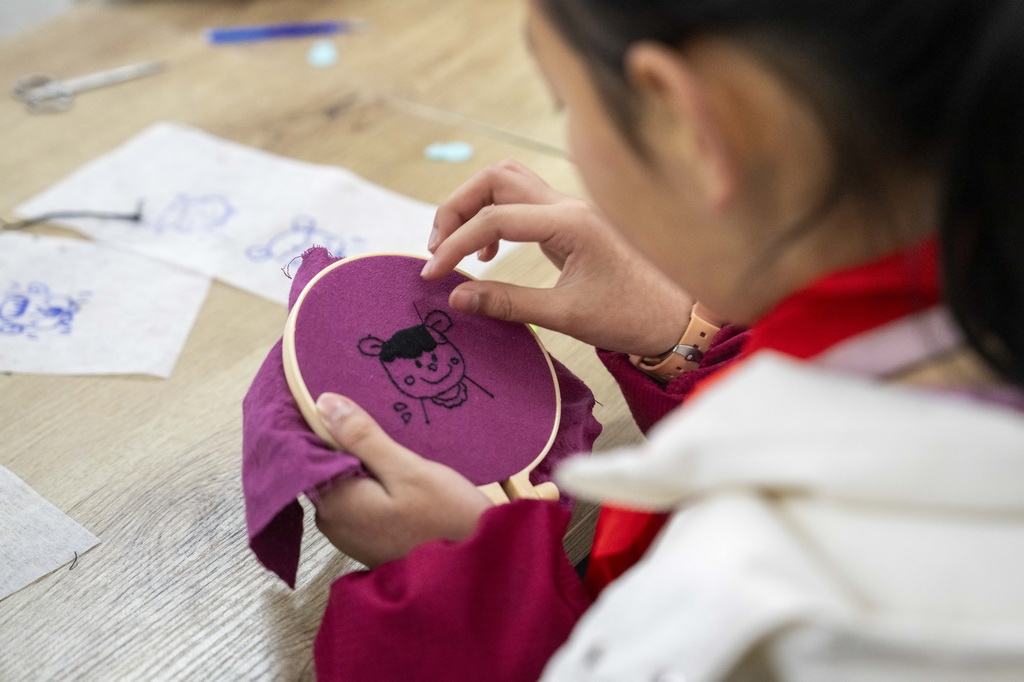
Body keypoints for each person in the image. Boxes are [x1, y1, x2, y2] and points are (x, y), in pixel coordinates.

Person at [307, 0, 1024, 679]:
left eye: (566, 104)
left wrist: (462, 586)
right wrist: (688, 342)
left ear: (684, 126)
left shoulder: (754, 596)